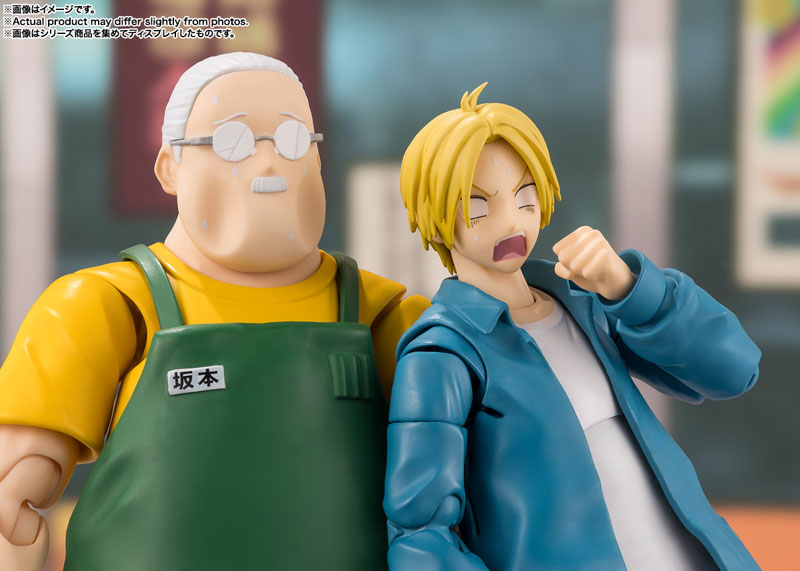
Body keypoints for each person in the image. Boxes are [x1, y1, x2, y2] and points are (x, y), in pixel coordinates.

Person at [0, 52, 427, 571]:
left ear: (317, 159)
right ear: (170, 166)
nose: (268, 164)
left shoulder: (384, 315)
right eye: (233, 141)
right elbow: (12, 504)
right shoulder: (108, 304)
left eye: (293, 140)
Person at [383, 83, 761, 570]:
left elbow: (733, 370)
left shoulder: (583, 304)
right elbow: (419, 536)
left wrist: (629, 289)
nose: (511, 223)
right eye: (477, 206)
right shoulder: (442, 354)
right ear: (434, 216)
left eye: (525, 197)